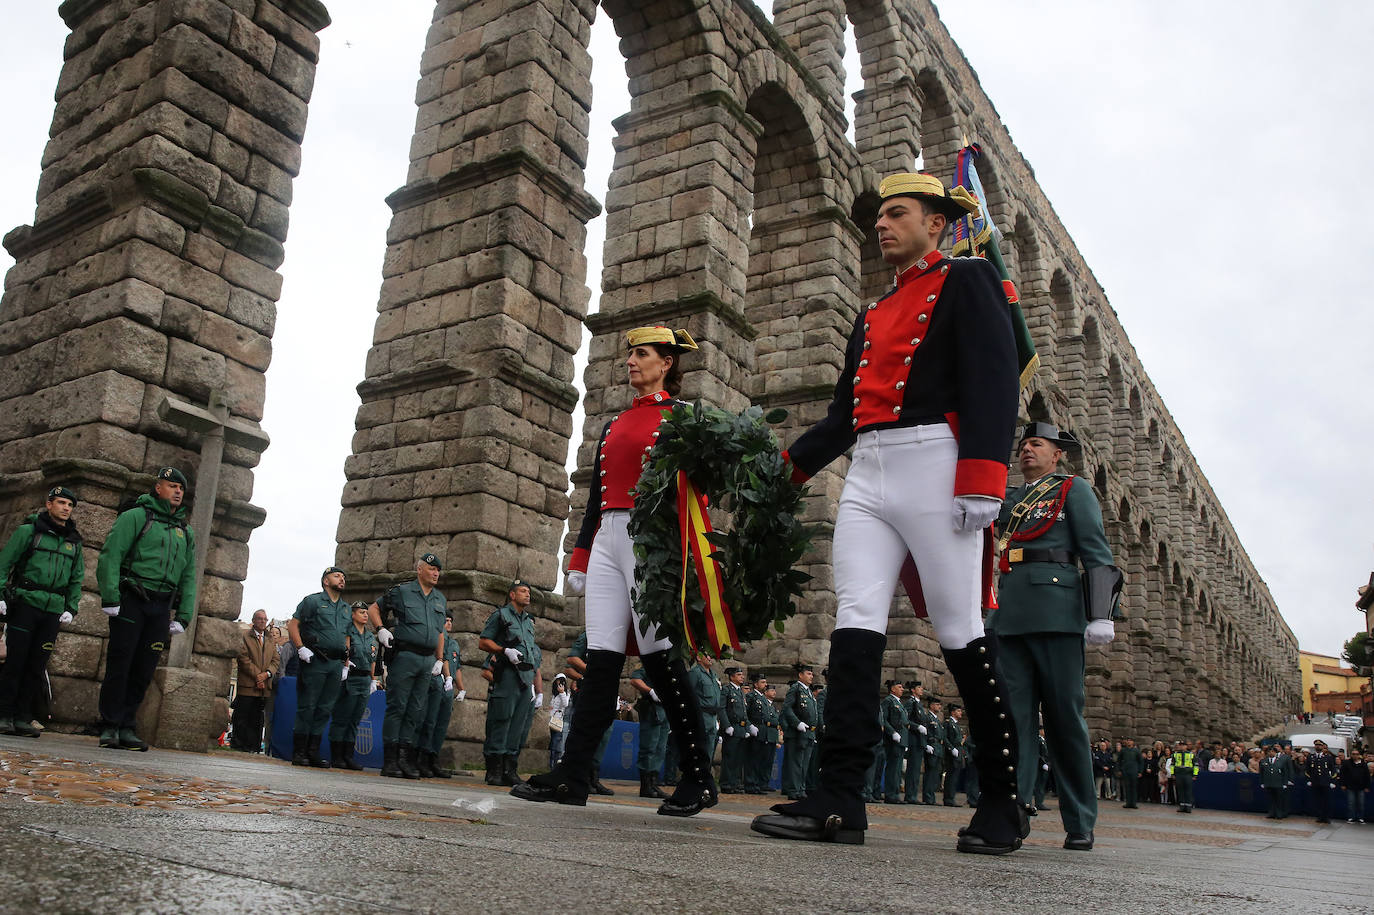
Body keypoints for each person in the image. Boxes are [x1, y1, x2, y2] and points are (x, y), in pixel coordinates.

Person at [750, 172, 1023, 853]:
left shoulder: (968, 281)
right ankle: (840, 796)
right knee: (854, 622)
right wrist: (784, 470)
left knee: (961, 630)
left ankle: (1002, 797)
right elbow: (845, 415)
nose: (882, 224)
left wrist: (984, 474)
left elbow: (996, 373)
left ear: (938, 223)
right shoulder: (871, 313)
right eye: (879, 215)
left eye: (898, 213)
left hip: (937, 462)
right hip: (868, 471)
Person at [513, 327, 718, 817]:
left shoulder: (684, 417)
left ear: (666, 362)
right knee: (601, 660)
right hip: (607, 537)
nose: (630, 361)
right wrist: (581, 555)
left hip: (651, 539)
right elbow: (594, 501)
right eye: (630, 354)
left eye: (641, 354)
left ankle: (698, 777)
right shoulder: (616, 422)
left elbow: (701, 491)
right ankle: (574, 774)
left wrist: (680, 553)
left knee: (660, 659)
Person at [989, 423, 1121, 851]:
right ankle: (1014, 810)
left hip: (1058, 612)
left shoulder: (1072, 491)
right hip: (1010, 615)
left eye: (1037, 444)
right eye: (1024, 445)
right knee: (1015, 722)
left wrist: (1100, 613)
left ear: (1056, 454)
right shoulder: (1007, 498)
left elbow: (1097, 552)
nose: (1027, 450)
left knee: (1065, 720)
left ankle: (1080, 819)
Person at [96, 467, 197, 751]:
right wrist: (110, 596)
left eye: (181, 488)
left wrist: (185, 614)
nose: (178, 492)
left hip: (160, 606)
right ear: (158, 488)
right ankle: (110, 724)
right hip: (132, 599)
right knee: (121, 663)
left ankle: (128, 724)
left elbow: (189, 575)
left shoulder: (185, 531)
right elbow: (111, 555)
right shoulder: (136, 517)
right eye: (172, 486)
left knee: (143, 668)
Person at [0, 486, 83, 737]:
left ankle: (24, 716)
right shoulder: (29, 532)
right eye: (61, 503)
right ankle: (4, 713)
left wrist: (71, 606)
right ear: (49, 504)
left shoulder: (74, 541)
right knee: (15, 661)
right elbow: (5, 563)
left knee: (37, 665)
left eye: (69, 504)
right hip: (26, 603)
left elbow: (76, 577)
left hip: (53, 609)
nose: (66, 508)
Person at [368, 553, 447, 779]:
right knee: (398, 707)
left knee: (416, 710)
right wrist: (381, 629)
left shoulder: (440, 599)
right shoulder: (402, 592)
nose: (435, 573)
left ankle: (405, 758)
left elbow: (439, 632)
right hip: (405, 656)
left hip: (427, 660)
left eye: (437, 570)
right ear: (420, 569)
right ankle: (391, 760)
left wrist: (440, 659)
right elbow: (374, 608)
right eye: (431, 569)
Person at [478, 579, 543, 786]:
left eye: (529, 592)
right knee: (501, 721)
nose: (527, 595)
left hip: (525, 678)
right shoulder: (501, 615)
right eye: (523, 591)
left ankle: (510, 768)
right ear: (512, 595)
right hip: (507, 674)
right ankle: (494, 769)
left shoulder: (527, 621)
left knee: (517, 725)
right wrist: (503, 650)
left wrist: (534, 684)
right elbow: (483, 641)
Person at [288, 567, 351, 768]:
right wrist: (300, 648)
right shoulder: (313, 601)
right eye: (336, 576)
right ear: (325, 581)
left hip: (335, 663)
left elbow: (347, 636)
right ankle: (299, 752)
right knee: (308, 706)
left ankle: (312, 751)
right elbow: (293, 625)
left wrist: (346, 663)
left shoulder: (345, 608)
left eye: (343, 577)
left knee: (325, 708)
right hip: (315, 661)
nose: (341, 579)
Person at [328, 601, 378, 771]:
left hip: (364, 680)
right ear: (353, 614)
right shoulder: (348, 632)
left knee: (355, 719)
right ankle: (336, 755)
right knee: (343, 717)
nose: (365, 615)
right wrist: (345, 666)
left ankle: (348, 755)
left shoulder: (370, 636)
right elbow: (346, 651)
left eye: (366, 612)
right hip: (350, 678)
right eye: (361, 612)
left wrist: (373, 679)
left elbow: (373, 659)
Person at [565, 630, 615, 796]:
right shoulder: (589, 635)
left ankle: (594, 778)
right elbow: (571, 661)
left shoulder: (614, 638)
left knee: (605, 735)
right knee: (586, 732)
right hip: (589, 690)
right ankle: (582, 776)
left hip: (606, 690)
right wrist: (592, 671)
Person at [416, 614, 465, 778]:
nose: (449, 623)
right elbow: (442, 659)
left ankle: (433, 757)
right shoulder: (435, 637)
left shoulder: (454, 643)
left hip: (447, 687)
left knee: (442, 725)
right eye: (446, 620)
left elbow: (457, 667)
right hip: (436, 681)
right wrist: (447, 676)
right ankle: (421, 757)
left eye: (451, 620)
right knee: (429, 721)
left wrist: (461, 688)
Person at [232, 609, 278, 752]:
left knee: (257, 720)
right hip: (247, 685)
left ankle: (254, 746)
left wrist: (267, 674)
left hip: (264, 687)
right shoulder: (245, 636)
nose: (263, 621)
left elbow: (276, 660)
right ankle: (238, 745)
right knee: (242, 717)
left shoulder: (270, 639)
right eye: (260, 618)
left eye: (265, 619)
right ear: (254, 620)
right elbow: (243, 658)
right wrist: (258, 675)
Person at [630, 663, 670, 798]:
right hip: (651, 710)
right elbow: (635, 679)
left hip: (665, 710)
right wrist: (650, 691)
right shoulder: (650, 666)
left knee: (660, 748)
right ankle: (646, 785)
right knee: (649, 748)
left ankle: (653, 783)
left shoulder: (669, 669)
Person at [780, 664, 818, 801]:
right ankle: (793, 789)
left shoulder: (808, 691)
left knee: (804, 764)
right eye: (808, 674)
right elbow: (787, 708)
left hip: (808, 733)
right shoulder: (796, 688)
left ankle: (800, 788)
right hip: (798, 732)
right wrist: (797, 723)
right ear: (800, 675)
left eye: (812, 674)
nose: (811, 676)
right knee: (796, 762)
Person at [720, 666, 749, 794]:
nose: (742, 677)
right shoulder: (727, 690)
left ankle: (735, 782)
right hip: (732, 727)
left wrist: (748, 727)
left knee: (739, 758)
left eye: (742, 675)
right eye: (738, 675)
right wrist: (726, 725)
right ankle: (726, 783)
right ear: (732, 677)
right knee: (729, 757)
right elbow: (721, 708)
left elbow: (743, 712)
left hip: (741, 728)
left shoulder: (740, 692)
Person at [879, 680, 908, 803]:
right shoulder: (888, 701)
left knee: (897, 769)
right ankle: (890, 794)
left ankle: (895, 793)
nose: (902, 689)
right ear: (892, 689)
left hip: (901, 740)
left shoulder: (899, 703)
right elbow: (884, 720)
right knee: (892, 768)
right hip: (893, 740)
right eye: (899, 687)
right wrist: (892, 733)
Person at [901, 681, 928, 804]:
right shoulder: (911, 703)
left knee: (916, 769)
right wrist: (917, 727)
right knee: (912, 769)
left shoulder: (919, 704)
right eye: (918, 687)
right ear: (912, 690)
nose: (921, 689)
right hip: (913, 739)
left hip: (919, 740)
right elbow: (905, 720)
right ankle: (910, 795)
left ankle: (913, 794)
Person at [744, 671, 771, 794]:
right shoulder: (751, 696)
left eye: (765, 682)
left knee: (760, 759)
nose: (765, 684)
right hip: (755, 730)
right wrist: (749, 727)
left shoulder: (762, 697)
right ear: (756, 684)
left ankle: (756, 783)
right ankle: (750, 784)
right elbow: (746, 713)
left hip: (763, 731)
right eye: (762, 682)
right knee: (752, 759)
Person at [1306, 739, 1338, 824]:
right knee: (1317, 800)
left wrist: (1332, 781)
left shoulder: (1328, 757)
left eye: (1319, 745)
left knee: (1326, 800)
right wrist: (1309, 780)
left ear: (1323, 746)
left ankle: (1326, 817)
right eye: (1316, 745)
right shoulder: (1311, 757)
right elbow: (1307, 770)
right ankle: (1319, 816)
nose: (1318, 746)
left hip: (1325, 782)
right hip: (1315, 782)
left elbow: (1333, 770)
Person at [921, 697, 946, 805]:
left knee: (935, 773)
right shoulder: (928, 718)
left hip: (938, 748)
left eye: (939, 705)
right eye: (937, 704)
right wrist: (926, 745)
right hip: (932, 746)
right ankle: (928, 797)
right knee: (930, 773)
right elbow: (925, 733)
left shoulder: (936, 719)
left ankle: (931, 796)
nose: (939, 707)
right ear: (931, 706)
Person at [1259, 743, 1293, 820]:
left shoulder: (1280, 761)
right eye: (1269, 751)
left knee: (1279, 799)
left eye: (1272, 752)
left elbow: (1284, 773)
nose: (1271, 753)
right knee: (1270, 799)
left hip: (1278, 783)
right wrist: (1262, 782)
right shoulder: (1263, 761)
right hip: (1268, 783)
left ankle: (1279, 813)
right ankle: (1271, 813)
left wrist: (1285, 783)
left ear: (1275, 753)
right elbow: (1261, 773)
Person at [943, 703, 966, 806]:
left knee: (955, 777)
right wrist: (951, 748)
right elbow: (945, 737)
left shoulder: (956, 724)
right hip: (952, 753)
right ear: (953, 712)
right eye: (958, 711)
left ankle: (951, 797)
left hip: (958, 752)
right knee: (951, 776)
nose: (960, 713)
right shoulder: (948, 723)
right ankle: (948, 798)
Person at [548, 674, 571, 769]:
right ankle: (550, 763)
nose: (560, 683)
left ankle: (553, 765)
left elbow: (565, 704)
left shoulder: (566, 693)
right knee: (550, 742)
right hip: (549, 720)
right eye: (558, 681)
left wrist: (562, 693)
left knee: (555, 742)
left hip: (557, 721)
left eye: (562, 681)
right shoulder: (553, 694)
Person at [1340, 748, 1368, 823]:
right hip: (1350, 786)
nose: (1355, 755)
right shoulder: (1346, 763)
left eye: (1356, 754)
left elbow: (1367, 776)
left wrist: (1366, 786)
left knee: (1361, 803)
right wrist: (1343, 784)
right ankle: (1351, 817)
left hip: (1361, 787)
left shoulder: (1363, 764)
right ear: (1351, 755)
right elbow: (1342, 774)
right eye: (1353, 754)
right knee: (1351, 803)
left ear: (1359, 755)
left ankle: (1360, 817)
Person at [1172, 740, 1197, 813]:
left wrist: (1195, 774)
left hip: (1188, 774)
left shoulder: (1191, 754)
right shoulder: (1175, 754)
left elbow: (1195, 765)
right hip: (1179, 774)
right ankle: (1182, 806)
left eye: (1183, 745)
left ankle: (1188, 806)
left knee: (1188, 790)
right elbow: (1172, 765)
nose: (1182, 746)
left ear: (1186, 746)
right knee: (1180, 790)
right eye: (1180, 745)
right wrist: (1173, 774)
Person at [1118, 737, 1142, 808]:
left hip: (1134, 771)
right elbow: (1119, 761)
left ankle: (1133, 803)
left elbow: (1140, 762)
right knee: (1127, 787)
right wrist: (1119, 770)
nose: (1129, 742)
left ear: (1133, 742)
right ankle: (1128, 803)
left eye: (1130, 741)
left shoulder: (1136, 751)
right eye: (1128, 741)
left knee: (1134, 787)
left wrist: (1140, 771)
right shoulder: (1123, 750)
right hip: (1126, 771)